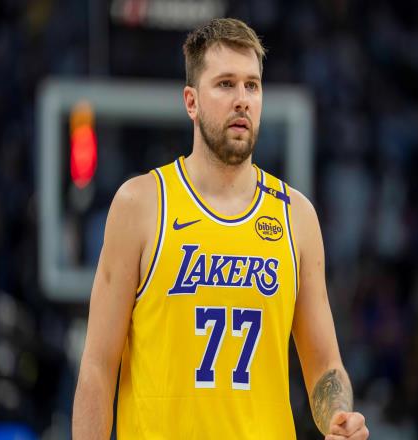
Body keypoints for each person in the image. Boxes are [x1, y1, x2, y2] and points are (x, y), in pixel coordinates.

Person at [72, 17, 369, 440]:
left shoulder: (296, 217)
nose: (242, 100)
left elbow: (325, 367)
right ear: (191, 101)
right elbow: (97, 368)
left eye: (252, 86)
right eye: (226, 84)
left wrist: (339, 415)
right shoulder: (140, 205)